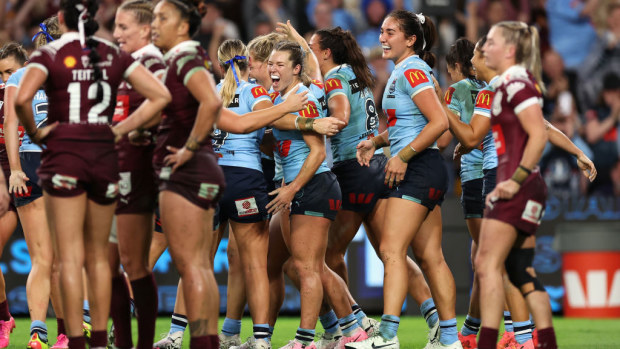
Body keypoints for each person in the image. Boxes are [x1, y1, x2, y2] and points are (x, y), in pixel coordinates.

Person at [14, 0, 171, 348]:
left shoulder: (49, 53)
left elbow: (23, 99)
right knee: (100, 256)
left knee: (68, 257)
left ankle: (76, 339)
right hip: (103, 157)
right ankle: (99, 336)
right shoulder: (112, 54)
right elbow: (160, 96)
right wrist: (118, 131)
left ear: (59, 18)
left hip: (65, 158)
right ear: (97, 18)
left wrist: (37, 133)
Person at [307, 26, 441, 348]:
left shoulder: (335, 79)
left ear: (326, 53)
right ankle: (435, 320)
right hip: (377, 165)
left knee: (324, 256)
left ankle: (351, 323)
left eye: (312, 47)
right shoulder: (356, 73)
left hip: (352, 169)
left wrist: (321, 122)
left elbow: (341, 112)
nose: (308, 53)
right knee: (390, 253)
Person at [350, 11, 461, 349]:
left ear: (411, 39)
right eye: (382, 31)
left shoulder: (411, 70)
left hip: (418, 168)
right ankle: (450, 340)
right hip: (424, 166)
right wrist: (378, 141)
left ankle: (386, 336)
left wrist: (402, 156)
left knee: (390, 249)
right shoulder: (408, 70)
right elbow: (407, 126)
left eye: (391, 32)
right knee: (430, 257)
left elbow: (440, 123)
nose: (382, 37)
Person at [473, 21, 554, 349]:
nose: (484, 48)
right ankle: (547, 343)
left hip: (519, 185)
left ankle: (487, 343)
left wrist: (514, 181)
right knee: (520, 271)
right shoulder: (510, 82)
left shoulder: (514, 83)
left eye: (491, 42)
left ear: (509, 50)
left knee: (486, 263)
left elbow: (539, 134)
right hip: (527, 185)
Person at [266, 40, 345, 349]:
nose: (273, 68)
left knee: (308, 267)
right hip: (296, 184)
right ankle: (349, 327)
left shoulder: (304, 97)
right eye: (271, 63)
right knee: (292, 265)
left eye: (280, 64)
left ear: (296, 69)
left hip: (311, 185)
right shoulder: (281, 97)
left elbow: (317, 152)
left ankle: (306, 341)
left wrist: (292, 188)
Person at [0, 42, 23, 349]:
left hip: (34, 176)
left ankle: (62, 331)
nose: (6, 79)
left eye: (10, 71)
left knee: (51, 260)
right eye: (2, 73)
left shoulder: (41, 91)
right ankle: (4, 318)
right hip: (5, 177)